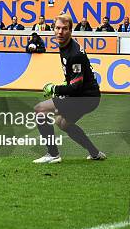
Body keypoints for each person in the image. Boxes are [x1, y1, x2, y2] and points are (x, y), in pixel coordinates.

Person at [33, 14, 106, 164]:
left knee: (40, 110)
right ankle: (95, 153)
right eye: (57, 28)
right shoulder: (65, 46)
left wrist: (54, 89)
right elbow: (73, 79)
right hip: (86, 96)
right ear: (53, 29)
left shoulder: (74, 54)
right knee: (63, 123)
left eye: (64, 29)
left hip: (85, 98)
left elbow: (76, 87)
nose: (60, 32)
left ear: (71, 31)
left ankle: (52, 154)